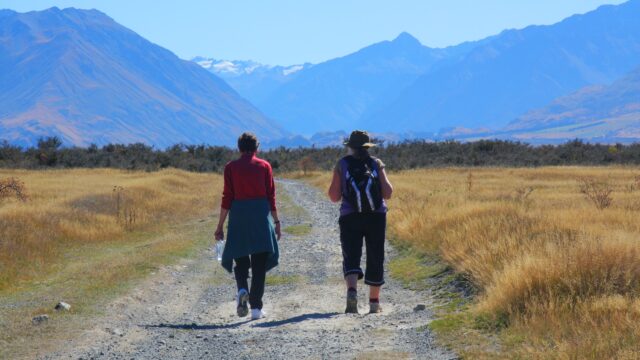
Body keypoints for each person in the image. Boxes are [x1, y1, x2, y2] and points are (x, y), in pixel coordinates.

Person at [215, 132, 281, 320]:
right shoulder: (264, 166)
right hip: (260, 217)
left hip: (239, 218)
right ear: (256, 148)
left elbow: (227, 198)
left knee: (241, 260)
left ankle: (242, 289)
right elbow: (271, 197)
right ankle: (256, 309)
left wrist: (220, 226)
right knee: (259, 263)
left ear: (239, 148)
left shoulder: (230, 168)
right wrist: (276, 222)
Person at [328, 130, 393, 314]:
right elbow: (388, 192)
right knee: (375, 255)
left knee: (351, 254)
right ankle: (374, 303)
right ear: (367, 147)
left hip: (350, 216)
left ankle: (352, 292)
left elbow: (334, 196)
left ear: (350, 146)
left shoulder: (342, 164)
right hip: (376, 216)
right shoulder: (376, 163)